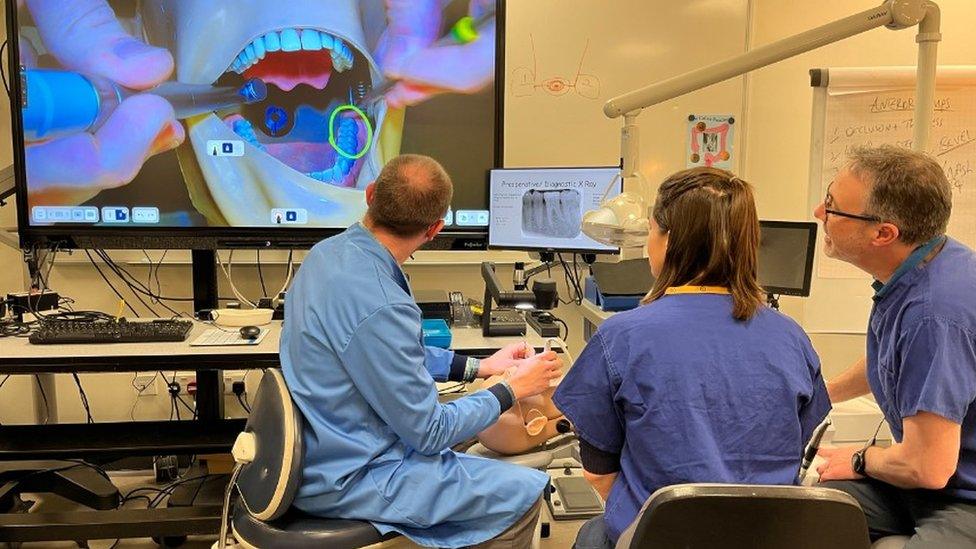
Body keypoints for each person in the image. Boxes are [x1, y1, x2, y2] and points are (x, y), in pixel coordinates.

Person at [280, 154, 562, 548]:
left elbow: (385, 354)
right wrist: (512, 390)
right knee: (522, 492)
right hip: (352, 475)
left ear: (371, 195)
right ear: (436, 229)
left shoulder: (326, 255)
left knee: (473, 444)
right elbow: (430, 433)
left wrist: (479, 367)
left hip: (326, 444)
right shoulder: (383, 303)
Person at [554, 167, 831, 548]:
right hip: (768, 537)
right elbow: (792, 449)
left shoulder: (622, 336)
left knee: (591, 533)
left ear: (667, 240)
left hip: (661, 538)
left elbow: (598, 474)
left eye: (650, 229)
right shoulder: (792, 338)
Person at [814, 145, 976, 547]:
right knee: (804, 511)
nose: (820, 213)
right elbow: (889, 359)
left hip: (961, 499)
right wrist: (821, 395)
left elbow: (927, 467)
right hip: (932, 486)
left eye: (833, 207)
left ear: (883, 233)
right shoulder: (929, 264)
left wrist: (860, 459)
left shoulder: (934, 313)